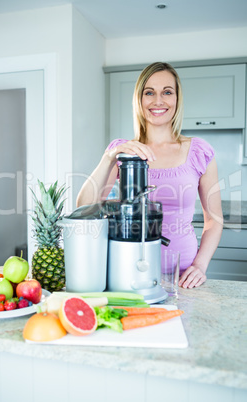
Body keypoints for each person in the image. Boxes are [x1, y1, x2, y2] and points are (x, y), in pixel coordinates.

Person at [76, 62, 223, 289]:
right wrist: (109, 158)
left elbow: (214, 220)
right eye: (149, 92)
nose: (158, 101)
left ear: (177, 99)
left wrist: (200, 265)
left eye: (167, 92)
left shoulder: (199, 151)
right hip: (126, 271)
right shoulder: (124, 151)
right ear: (139, 100)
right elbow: (84, 208)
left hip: (183, 277)